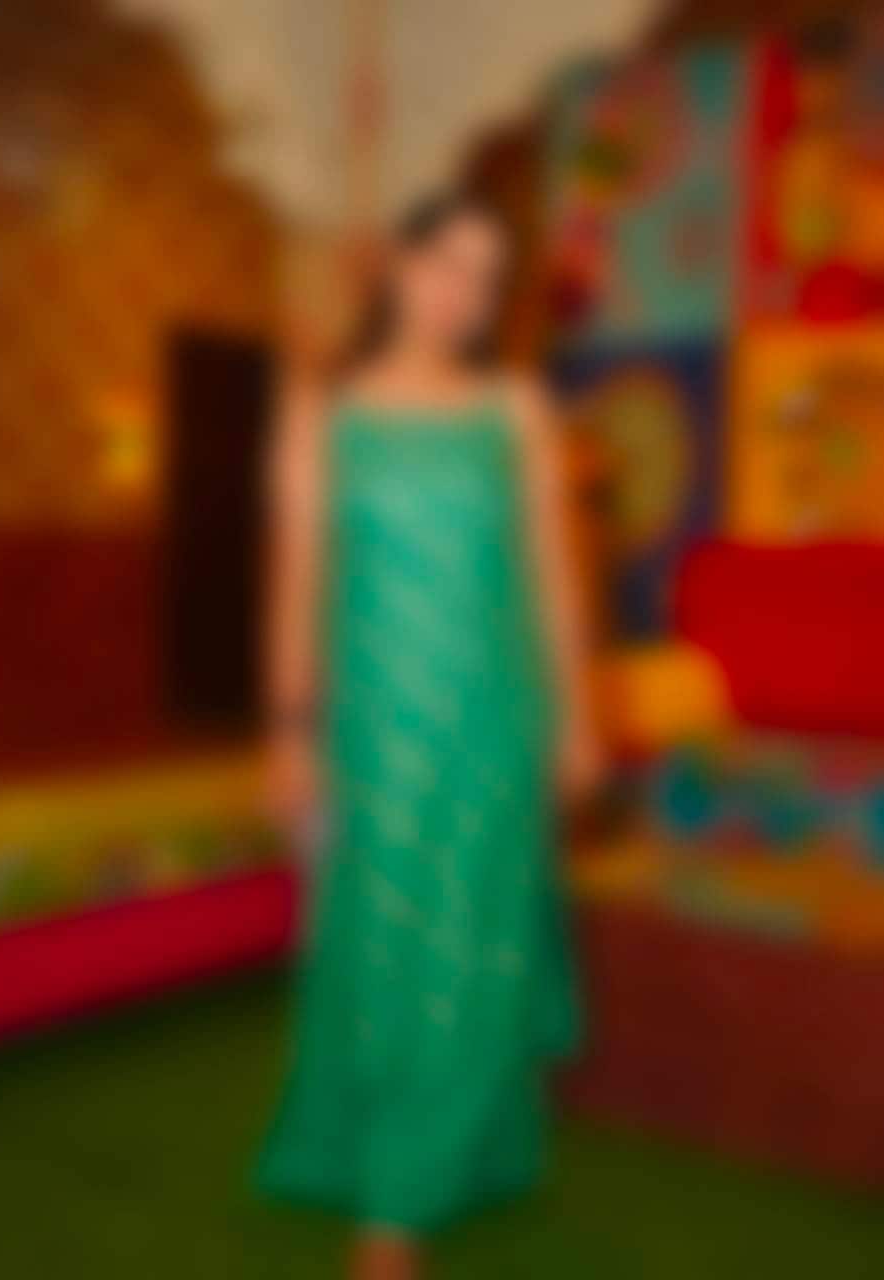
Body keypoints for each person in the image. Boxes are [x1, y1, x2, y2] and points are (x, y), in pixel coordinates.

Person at [257, 189, 602, 1280]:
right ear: (398, 265)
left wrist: (576, 718)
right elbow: (298, 583)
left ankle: (404, 1202)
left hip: (495, 728)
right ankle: (392, 1184)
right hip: (373, 741)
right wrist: (287, 730)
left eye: (487, 278)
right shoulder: (325, 411)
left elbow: (552, 580)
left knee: (475, 951)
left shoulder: (515, 408)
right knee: (384, 955)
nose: (465, 293)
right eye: (448, 262)